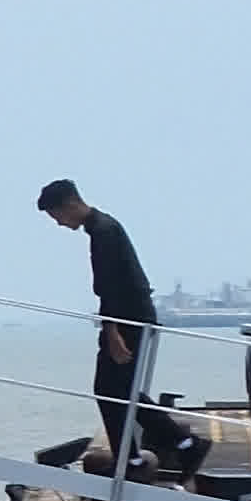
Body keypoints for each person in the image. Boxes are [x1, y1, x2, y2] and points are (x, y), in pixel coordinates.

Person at [42, 182, 159, 472]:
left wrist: (112, 333)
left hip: (128, 319)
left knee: (110, 389)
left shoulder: (104, 232)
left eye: (56, 216)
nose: (58, 223)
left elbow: (109, 288)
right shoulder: (102, 228)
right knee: (118, 389)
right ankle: (147, 452)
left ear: (70, 205)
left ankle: (165, 446)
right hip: (131, 316)